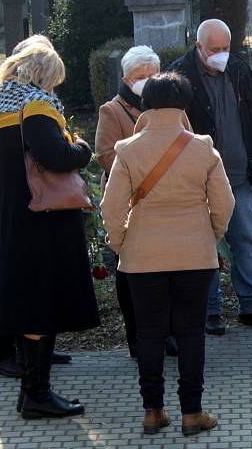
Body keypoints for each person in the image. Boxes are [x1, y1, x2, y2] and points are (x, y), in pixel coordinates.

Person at [101, 72, 235, 437]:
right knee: (192, 334)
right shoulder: (203, 147)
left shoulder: (127, 151)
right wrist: (211, 235)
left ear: (146, 104)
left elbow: (111, 208)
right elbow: (225, 203)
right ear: (185, 104)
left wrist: (121, 243)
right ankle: (192, 413)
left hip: (142, 257)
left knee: (149, 335)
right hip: (195, 254)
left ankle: (153, 411)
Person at [0, 43, 98, 419]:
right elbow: (55, 157)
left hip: (10, 217)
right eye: (54, 80)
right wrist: (81, 148)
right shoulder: (37, 107)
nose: (54, 89)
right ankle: (36, 395)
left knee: (27, 302)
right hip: (41, 219)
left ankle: (33, 393)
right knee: (40, 304)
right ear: (43, 74)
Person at [0, 35, 73, 380]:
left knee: (22, 281)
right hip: (1, 204)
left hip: (14, 201)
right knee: (6, 281)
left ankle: (33, 349)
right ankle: (4, 354)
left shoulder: (31, 96)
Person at [167, 19, 252, 335]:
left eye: (226, 48)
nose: (221, 55)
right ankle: (210, 310)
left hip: (240, 175)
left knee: (246, 238)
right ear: (198, 46)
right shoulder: (179, 76)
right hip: (199, 180)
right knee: (205, 245)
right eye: (214, 49)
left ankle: (251, 306)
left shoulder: (241, 71)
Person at [95, 45, 159, 359]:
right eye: (139, 76)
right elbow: (106, 156)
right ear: (126, 78)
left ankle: (163, 333)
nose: (146, 81)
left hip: (164, 202)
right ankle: (136, 335)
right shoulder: (112, 110)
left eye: (152, 75)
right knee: (131, 272)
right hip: (131, 200)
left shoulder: (168, 106)